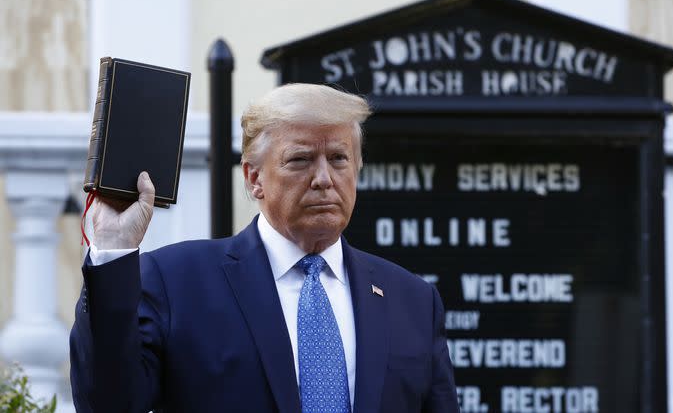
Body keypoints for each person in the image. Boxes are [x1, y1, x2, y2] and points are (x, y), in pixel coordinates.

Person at [69, 83, 459, 413]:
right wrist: (115, 248)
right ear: (254, 178)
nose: (324, 178)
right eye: (301, 160)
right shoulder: (177, 282)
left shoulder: (412, 300)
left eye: (338, 158)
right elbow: (108, 402)